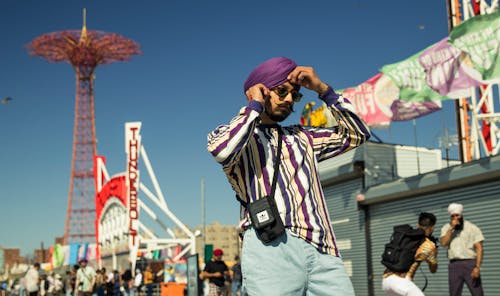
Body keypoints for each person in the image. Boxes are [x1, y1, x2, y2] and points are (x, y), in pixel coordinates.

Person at [207, 57, 370, 295]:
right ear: (260, 91)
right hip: (270, 248)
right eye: (281, 91)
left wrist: (322, 90)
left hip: (322, 249)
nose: (289, 99)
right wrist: (254, 106)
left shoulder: (303, 137)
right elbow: (222, 150)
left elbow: (357, 134)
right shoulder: (236, 137)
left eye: (295, 94)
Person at [382, 212, 438, 296]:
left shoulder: (405, 236)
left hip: (386, 281)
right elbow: (433, 269)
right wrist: (434, 254)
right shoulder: (429, 244)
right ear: (432, 228)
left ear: (417, 225)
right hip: (401, 282)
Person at [440, 203, 484, 296]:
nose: (455, 218)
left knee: (477, 293)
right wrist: (451, 228)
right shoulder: (446, 228)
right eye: (453, 216)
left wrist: (477, 267)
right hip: (454, 265)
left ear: (461, 215)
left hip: (470, 264)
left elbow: (479, 248)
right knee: (454, 293)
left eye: (457, 215)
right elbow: (443, 243)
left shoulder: (472, 227)